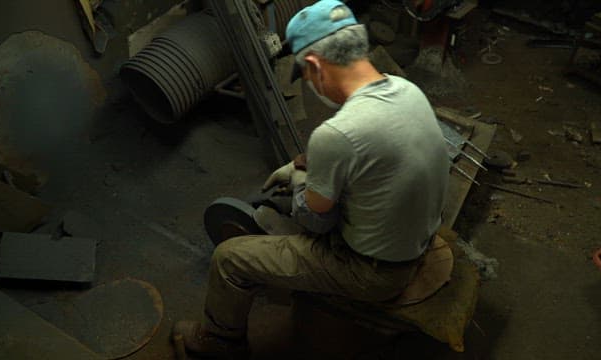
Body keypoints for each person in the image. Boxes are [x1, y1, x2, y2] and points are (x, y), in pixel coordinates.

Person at [172, 0, 451, 357]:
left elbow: (315, 221)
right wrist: (310, 164)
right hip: (419, 237)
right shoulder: (405, 89)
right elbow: (369, 154)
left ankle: (218, 343)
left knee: (229, 259)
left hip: (375, 274)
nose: (310, 84)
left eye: (305, 74)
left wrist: (303, 181)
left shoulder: (336, 133)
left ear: (316, 66)